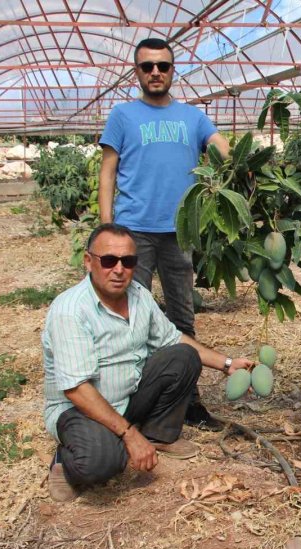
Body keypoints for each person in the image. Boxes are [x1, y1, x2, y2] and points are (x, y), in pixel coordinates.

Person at [42, 223, 252, 502]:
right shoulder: (70, 312)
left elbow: (172, 338)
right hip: (81, 410)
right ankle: (65, 461)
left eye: (128, 261)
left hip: (127, 397)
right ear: (88, 261)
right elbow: (77, 390)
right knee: (103, 464)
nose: (119, 269)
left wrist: (227, 364)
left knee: (183, 356)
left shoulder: (139, 295)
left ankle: (156, 435)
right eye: (109, 261)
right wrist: (129, 435)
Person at [98, 37, 231, 430]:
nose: (156, 72)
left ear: (173, 71)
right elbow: (107, 171)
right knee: (126, 317)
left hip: (180, 232)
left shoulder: (193, 117)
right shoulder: (123, 115)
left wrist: (252, 170)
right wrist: (107, 228)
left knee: (181, 317)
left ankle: (189, 401)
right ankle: (131, 403)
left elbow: (222, 147)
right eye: (147, 66)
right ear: (136, 72)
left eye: (163, 66)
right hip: (133, 232)